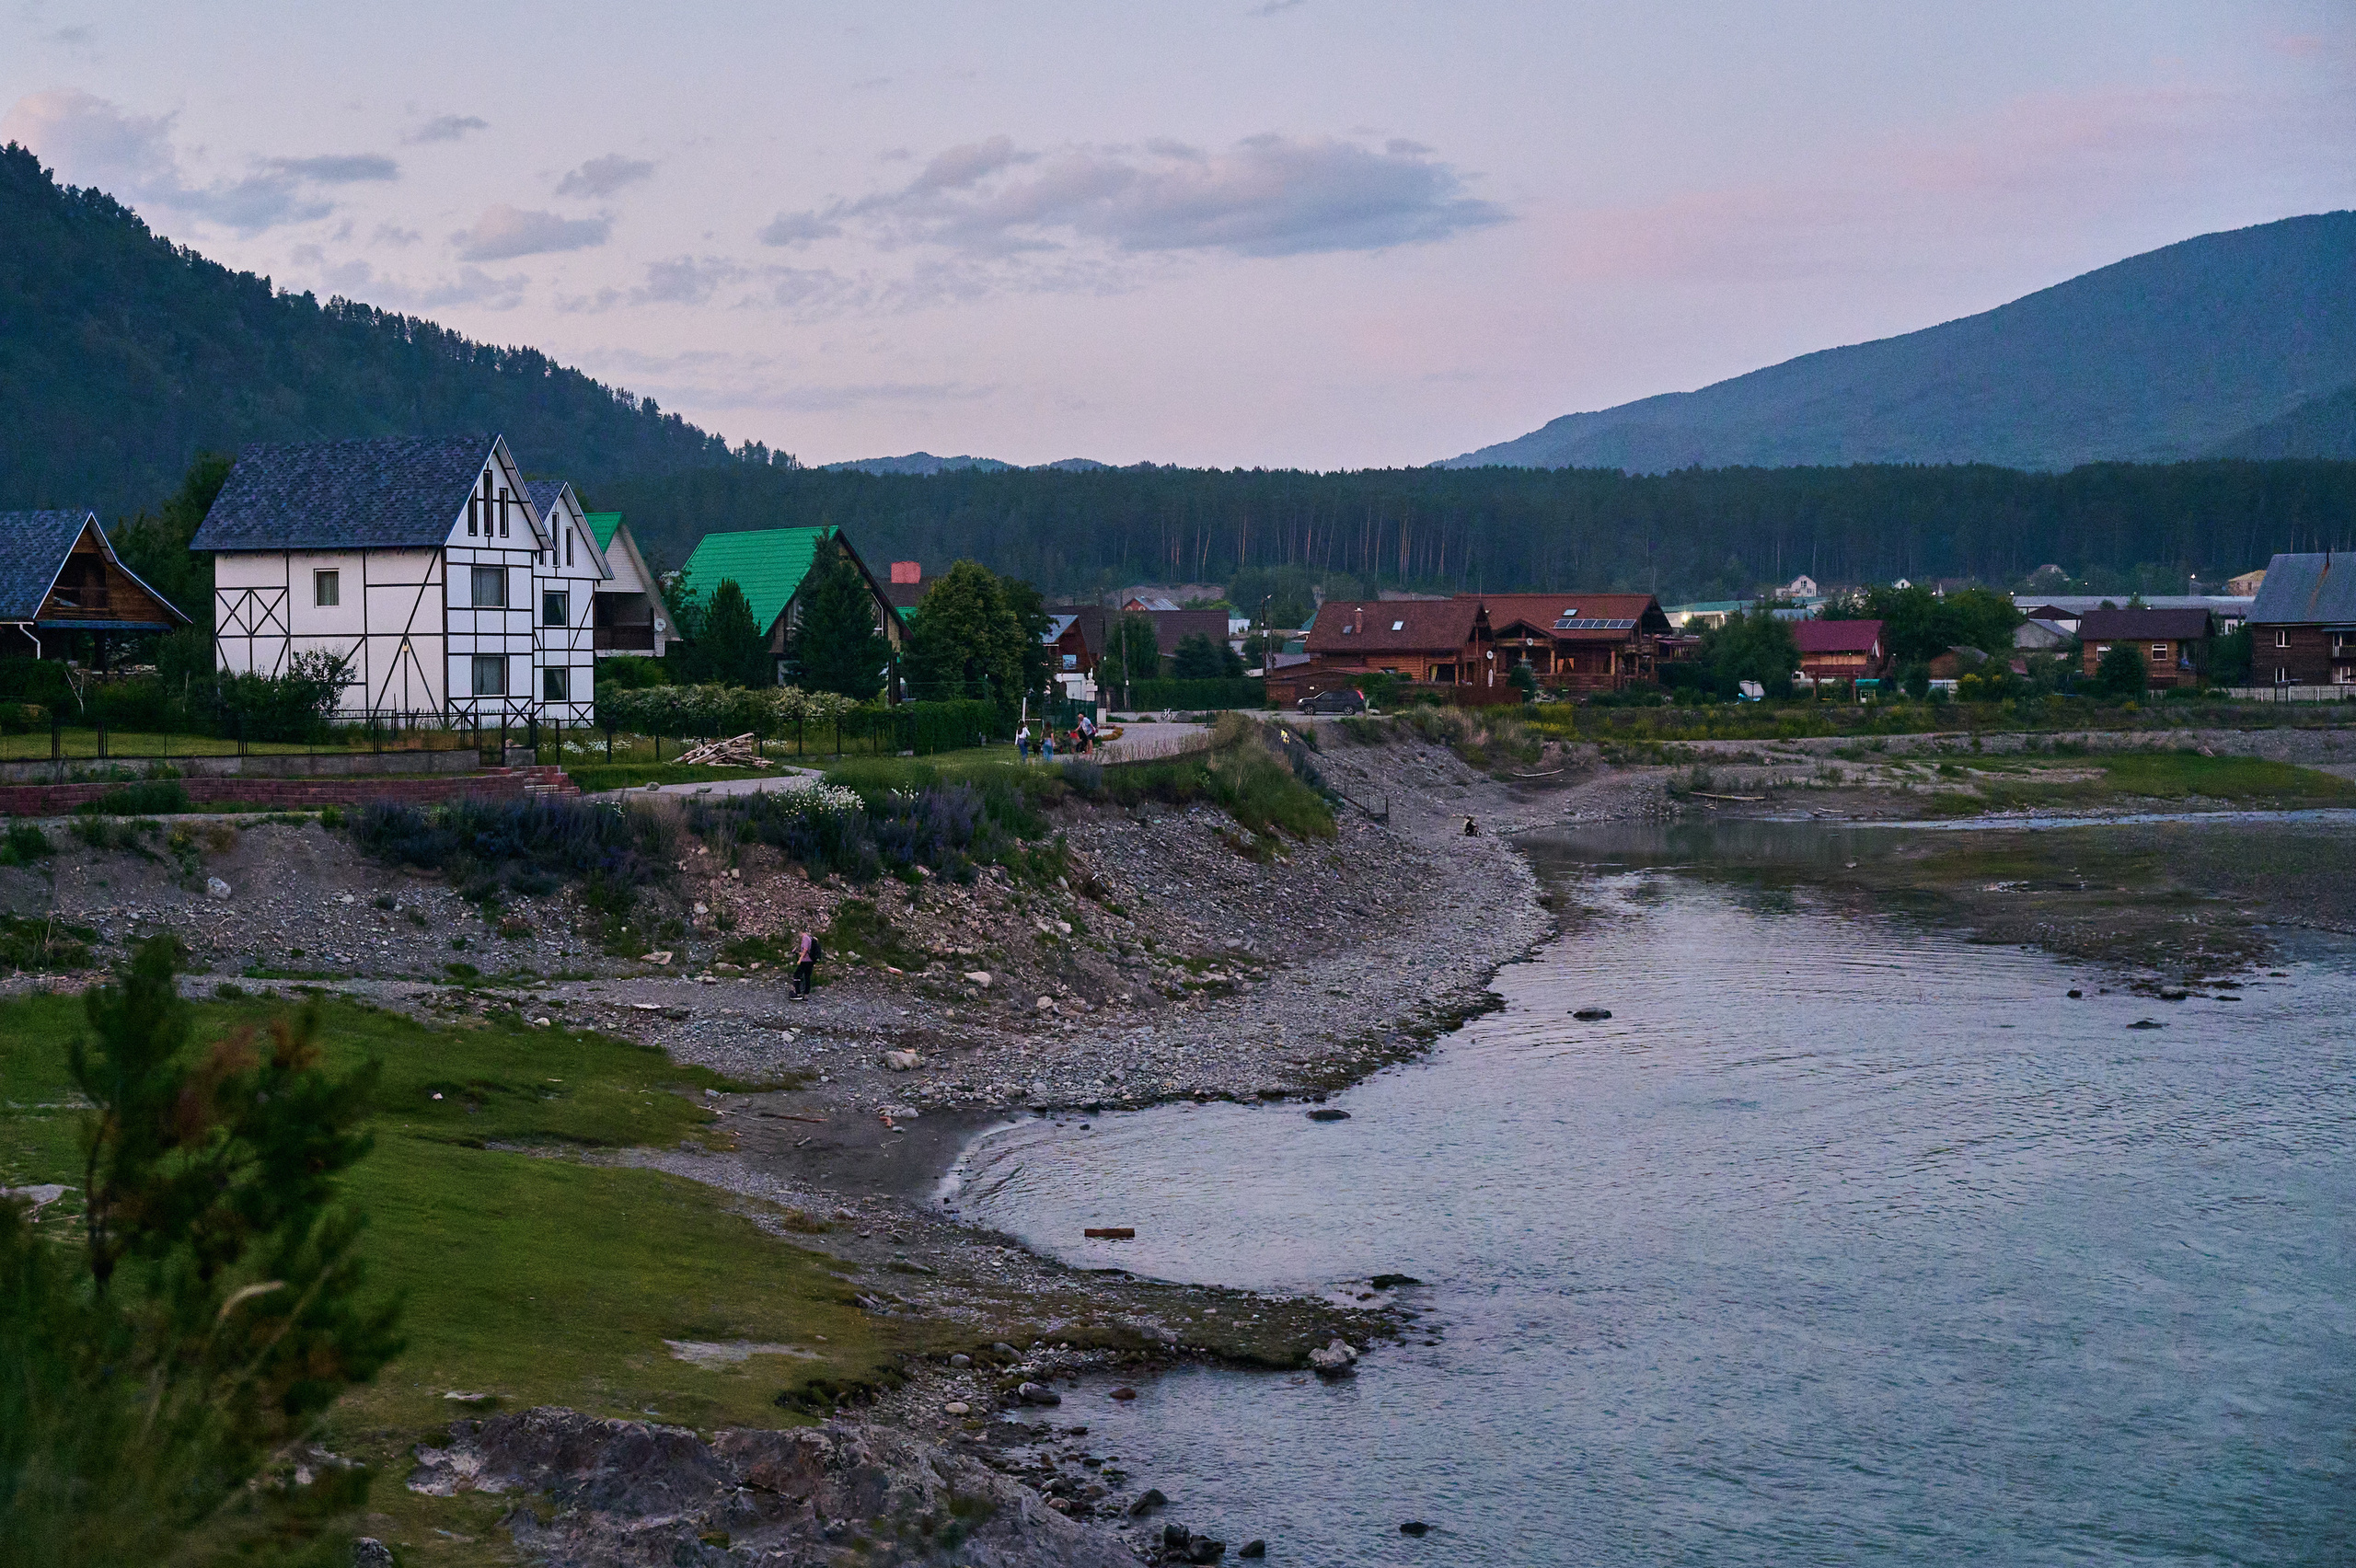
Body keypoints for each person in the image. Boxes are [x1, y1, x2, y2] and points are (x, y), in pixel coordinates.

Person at [791, 928, 818, 998]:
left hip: (805, 961)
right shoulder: (810, 938)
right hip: (810, 961)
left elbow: (805, 949)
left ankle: (798, 993)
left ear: (801, 932)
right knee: (807, 977)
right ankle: (806, 995)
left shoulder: (805, 938)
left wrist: (799, 960)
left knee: (797, 975)